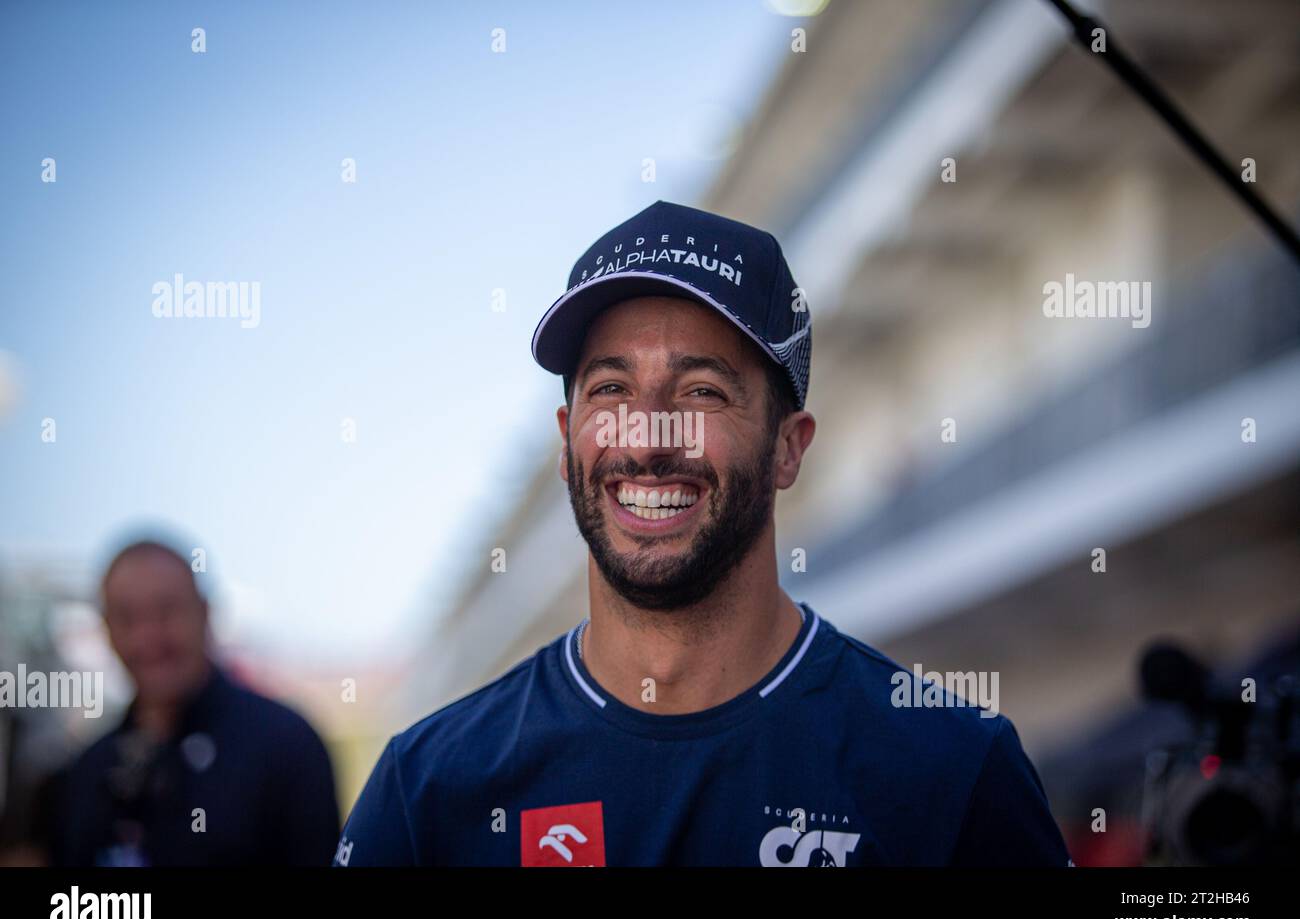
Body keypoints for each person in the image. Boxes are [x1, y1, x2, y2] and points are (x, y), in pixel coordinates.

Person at [337, 200, 1073, 866]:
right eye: (612, 389)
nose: (650, 439)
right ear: (568, 442)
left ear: (788, 447)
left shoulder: (949, 768)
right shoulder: (429, 789)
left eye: (701, 392)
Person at [44, 537, 340, 865]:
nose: (148, 637)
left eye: (166, 611)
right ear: (107, 629)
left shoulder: (288, 747)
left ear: (205, 613)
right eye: (127, 617)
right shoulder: (89, 771)